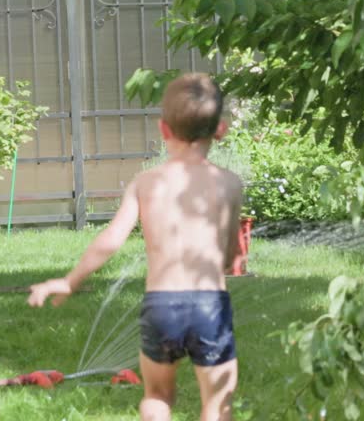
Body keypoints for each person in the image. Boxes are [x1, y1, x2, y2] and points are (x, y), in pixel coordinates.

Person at [28, 73, 243, 421]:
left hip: (161, 306)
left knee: (157, 396)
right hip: (209, 305)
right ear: (221, 130)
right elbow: (232, 252)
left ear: (163, 130)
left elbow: (111, 240)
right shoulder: (228, 183)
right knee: (217, 404)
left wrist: (70, 281)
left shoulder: (146, 183)